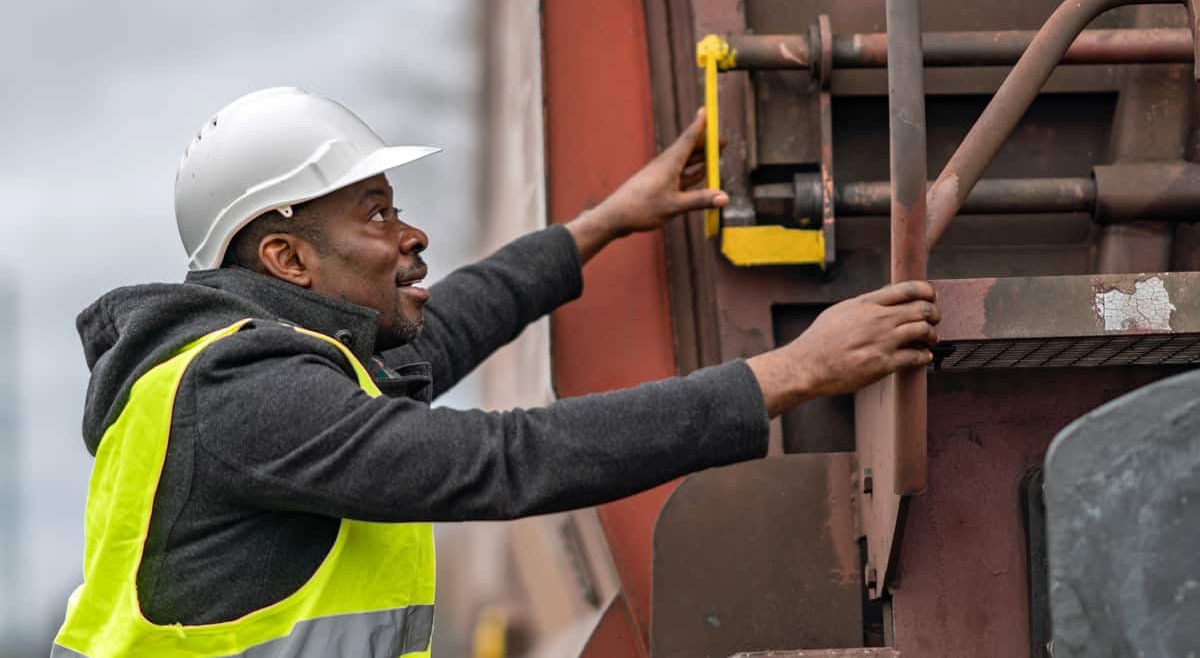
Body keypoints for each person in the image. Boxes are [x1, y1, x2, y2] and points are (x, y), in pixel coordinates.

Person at [52, 87, 940, 658]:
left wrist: (602, 223)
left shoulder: (276, 367)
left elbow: (453, 324)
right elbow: (503, 459)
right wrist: (790, 372)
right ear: (288, 257)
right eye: (377, 214)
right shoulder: (247, 394)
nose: (412, 237)